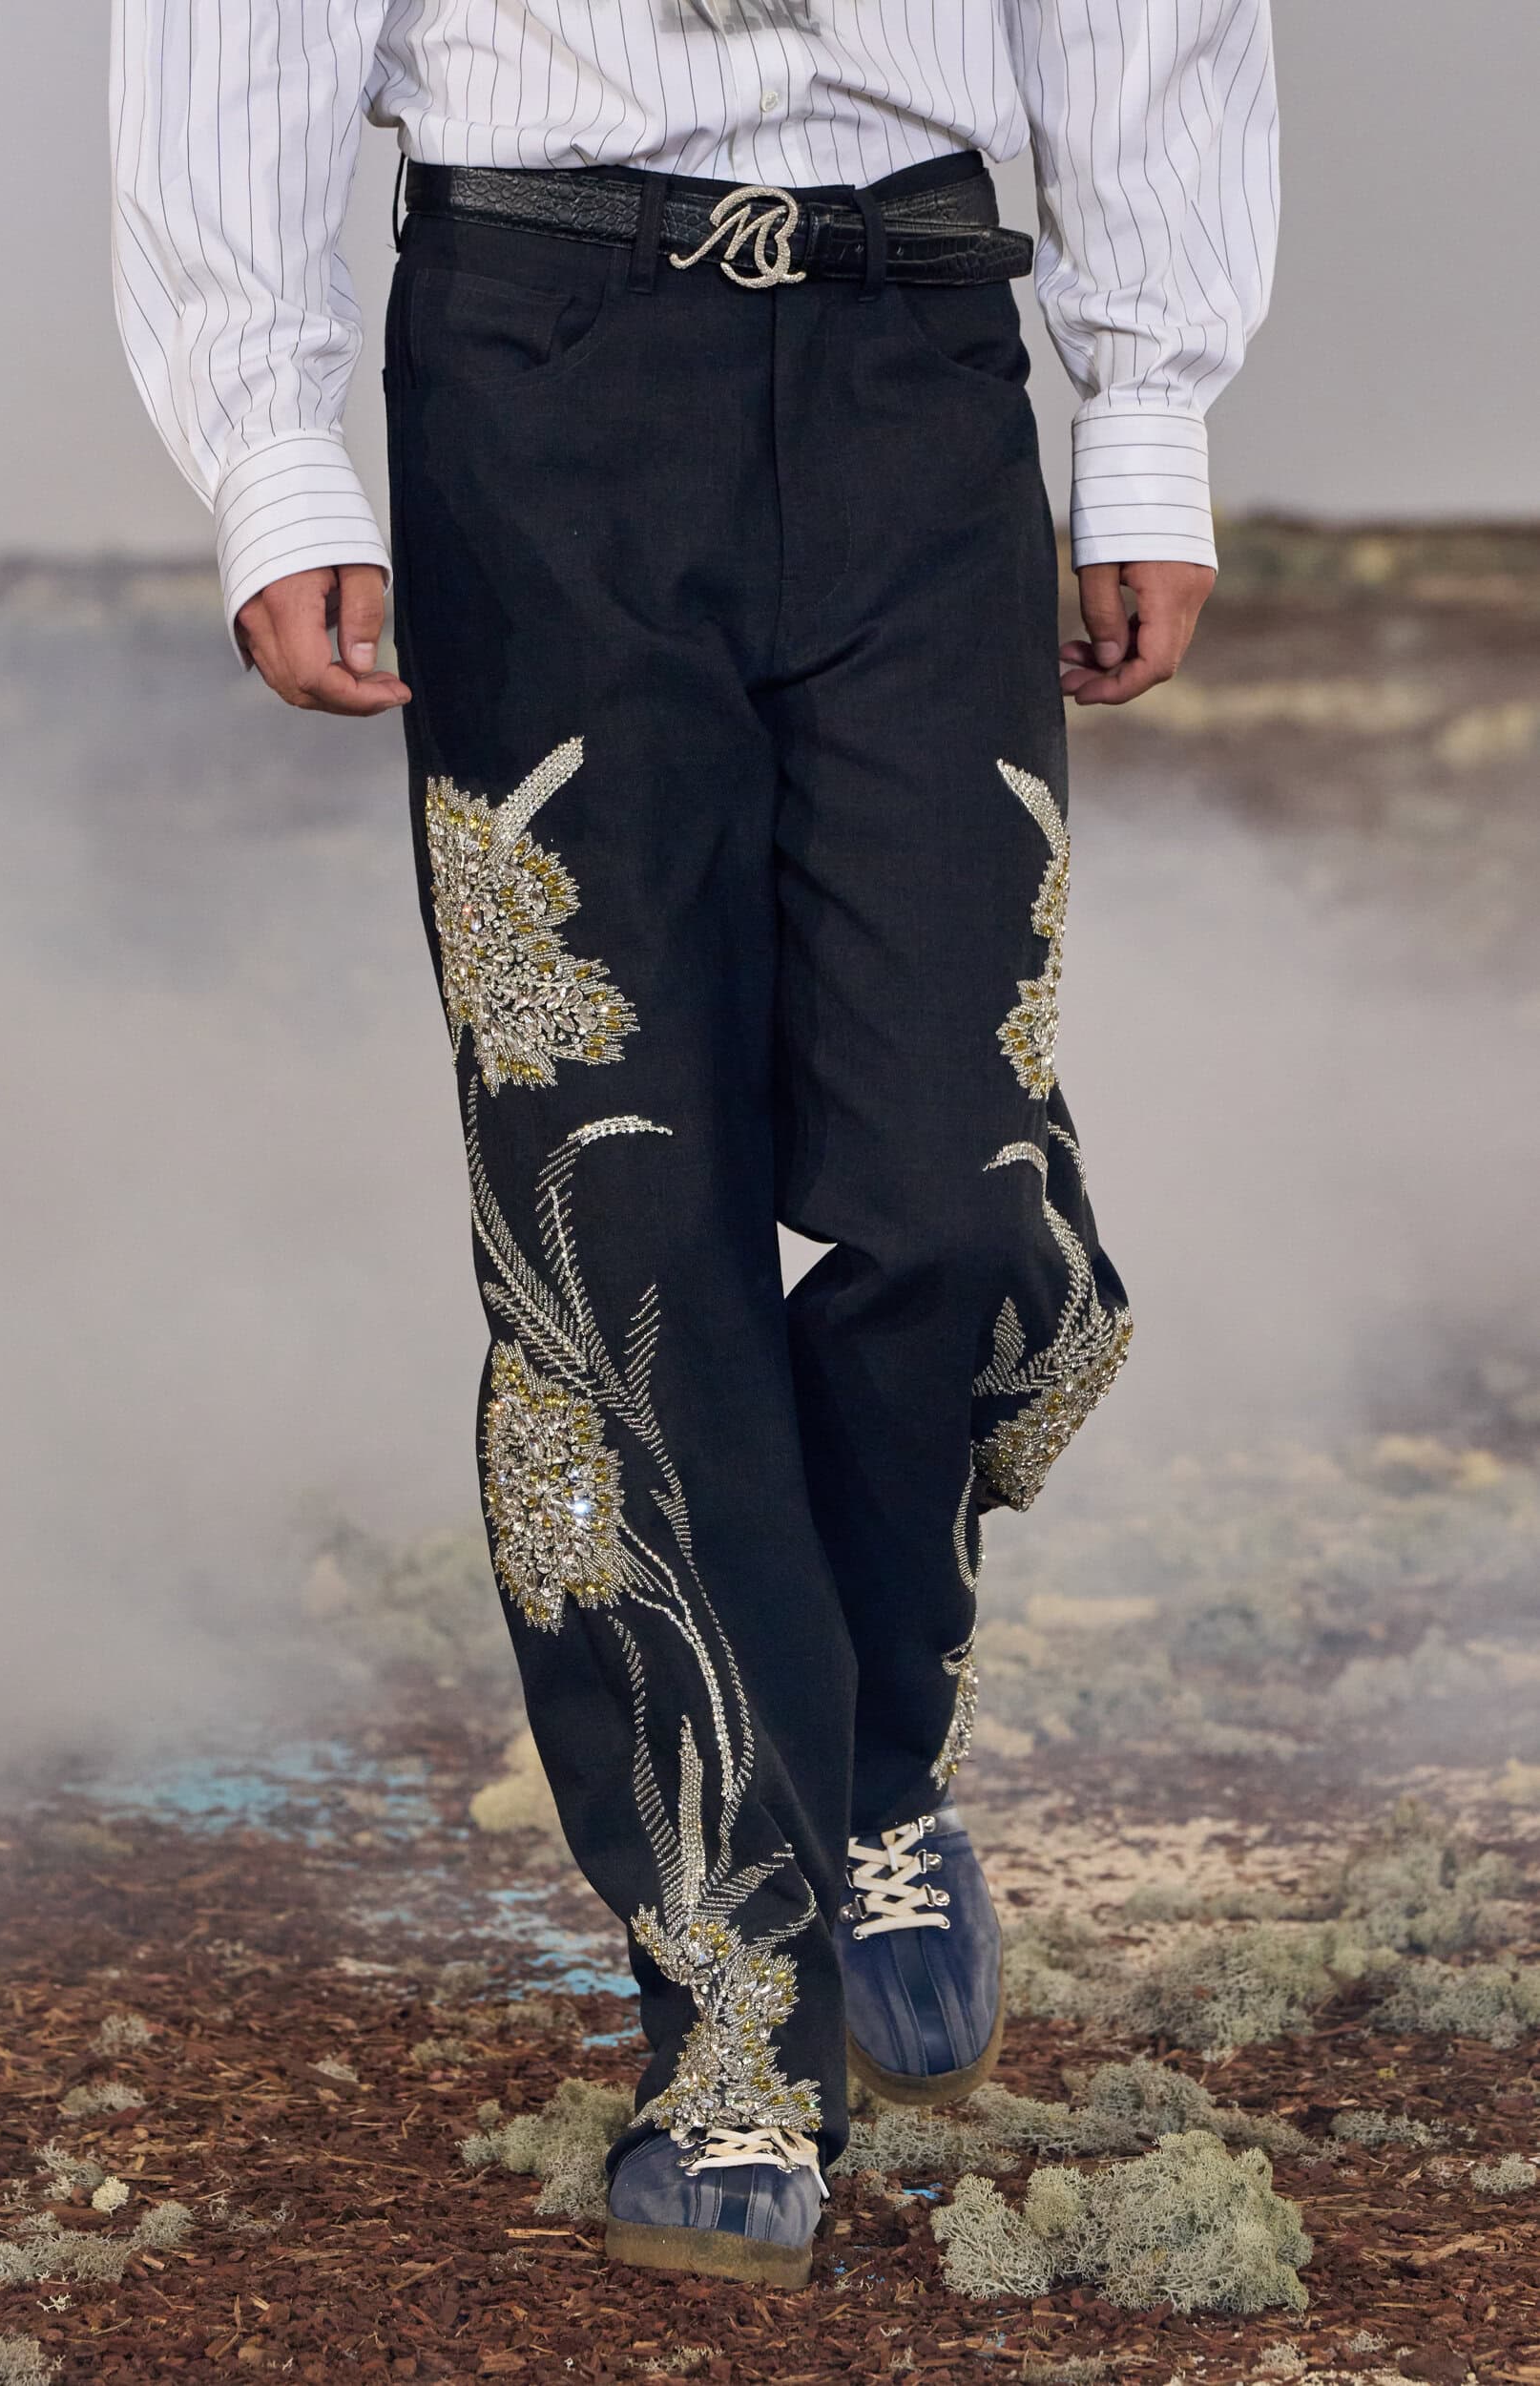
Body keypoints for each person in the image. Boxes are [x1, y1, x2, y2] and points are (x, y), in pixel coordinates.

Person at [110, 0, 1276, 2289]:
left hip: (919, 347)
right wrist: (271, 448)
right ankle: (733, 2004)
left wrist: (1148, 413)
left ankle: (856, 1741)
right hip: (538, 369)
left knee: (968, 1197)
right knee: (617, 1225)